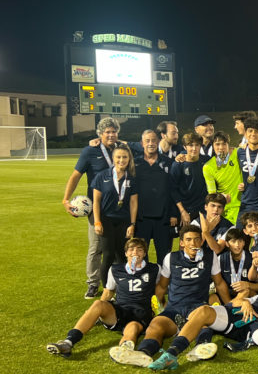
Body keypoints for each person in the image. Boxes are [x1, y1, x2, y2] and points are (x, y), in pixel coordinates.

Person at [146, 265, 258, 374]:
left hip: (256, 326)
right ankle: (171, 355)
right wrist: (245, 302)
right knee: (204, 311)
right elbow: (233, 303)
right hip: (237, 315)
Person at [108, 225, 234, 367]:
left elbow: (219, 283)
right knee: (156, 326)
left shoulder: (210, 257)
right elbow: (162, 286)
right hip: (174, 308)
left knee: (204, 324)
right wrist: (157, 306)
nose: (193, 243)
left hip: (197, 307)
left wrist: (229, 305)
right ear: (181, 243)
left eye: (197, 239)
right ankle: (143, 353)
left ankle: (201, 347)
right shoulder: (171, 258)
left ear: (202, 242)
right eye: (188, 240)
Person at [47, 238, 159, 358]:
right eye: (131, 249)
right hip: (119, 311)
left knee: (132, 328)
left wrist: (163, 312)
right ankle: (68, 343)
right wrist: (94, 313)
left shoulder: (154, 269)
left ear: (145, 253)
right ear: (126, 253)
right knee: (97, 304)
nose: (135, 253)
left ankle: (123, 352)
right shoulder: (116, 269)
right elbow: (108, 292)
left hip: (140, 314)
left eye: (139, 250)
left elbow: (161, 290)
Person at [62, 117, 120, 298]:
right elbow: (75, 176)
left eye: (113, 131)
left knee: (118, 247)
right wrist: (66, 200)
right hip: (98, 208)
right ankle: (93, 283)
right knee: (96, 247)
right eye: (107, 132)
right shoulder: (89, 151)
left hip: (120, 208)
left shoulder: (122, 150)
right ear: (100, 134)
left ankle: (116, 281)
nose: (110, 135)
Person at [91, 144, 138, 287]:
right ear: (113, 158)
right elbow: (96, 201)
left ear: (129, 159)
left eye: (125, 157)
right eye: (118, 157)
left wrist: (132, 224)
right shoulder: (102, 176)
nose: (121, 160)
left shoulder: (131, 178)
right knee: (108, 255)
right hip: (106, 221)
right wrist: (97, 221)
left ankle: (122, 287)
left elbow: (133, 203)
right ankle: (106, 288)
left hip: (123, 221)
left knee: (122, 256)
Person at [134, 129, 176, 264]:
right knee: (140, 254)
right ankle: (145, 283)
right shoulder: (134, 163)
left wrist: (174, 213)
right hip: (141, 218)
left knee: (164, 256)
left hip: (163, 218)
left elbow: (174, 189)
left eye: (153, 140)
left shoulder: (169, 162)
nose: (150, 143)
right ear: (142, 143)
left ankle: (163, 285)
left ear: (158, 142)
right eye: (147, 141)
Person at [202, 131, 242, 224]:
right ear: (212, 146)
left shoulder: (237, 153)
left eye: (224, 144)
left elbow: (254, 145)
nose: (221, 147)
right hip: (226, 209)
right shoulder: (208, 167)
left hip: (244, 205)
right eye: (217, 144)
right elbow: (212, 193)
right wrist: (220, 197)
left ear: (228, 144)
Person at [170, 132, 209, 227]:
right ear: (185, 147)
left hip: (204, 209)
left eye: (197, 145)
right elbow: (172, 190)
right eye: (190, 145)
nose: (194, 148)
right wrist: (182, 211)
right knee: (187, 239)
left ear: (201, 146)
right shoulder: (178, 165)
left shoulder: (207, 161)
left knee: (205, 239)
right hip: (186, 210)